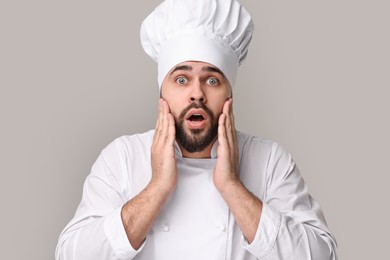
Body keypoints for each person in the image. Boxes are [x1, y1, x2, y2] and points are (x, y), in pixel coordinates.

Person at [56, 0, 338, 259]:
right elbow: (71, 255)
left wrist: (231, 186)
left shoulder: (269, 161)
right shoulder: (123, 157)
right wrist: (157, 189)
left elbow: (322, 255)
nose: (197, 94)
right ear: (162, 93)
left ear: (230, 93)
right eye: (181, 79)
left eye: (212, 80)